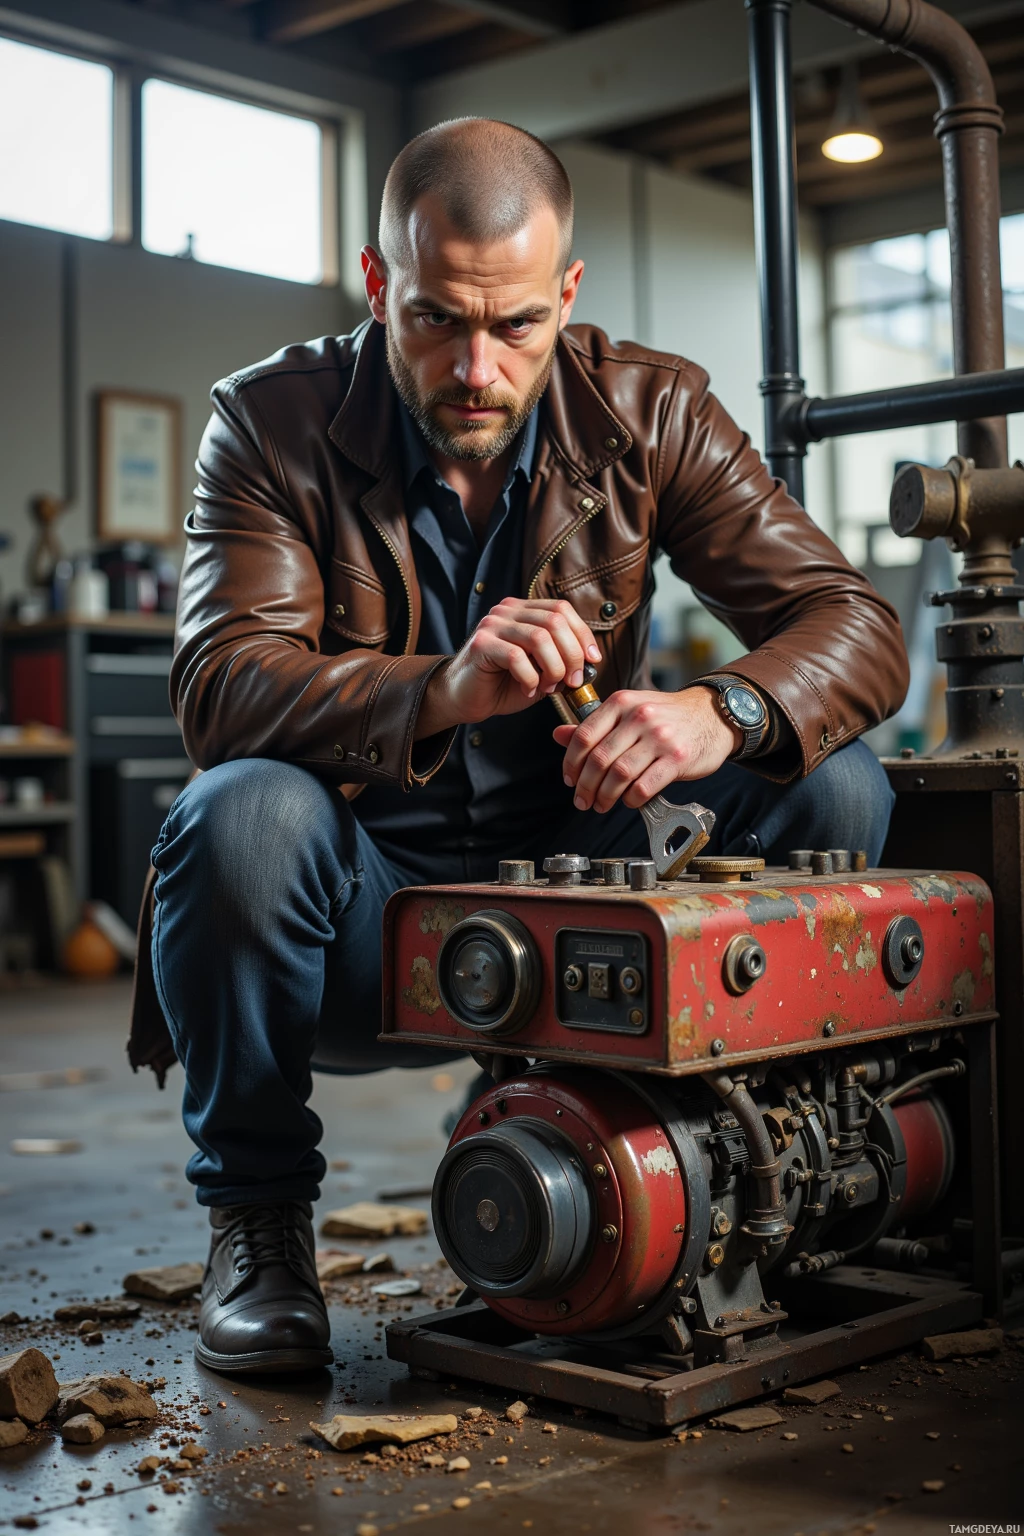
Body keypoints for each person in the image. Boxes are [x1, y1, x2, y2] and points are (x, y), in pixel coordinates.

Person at [132, 118, 908, 1376]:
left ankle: (738, 1173)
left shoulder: (651, 408)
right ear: (380, 283)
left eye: (517, 327)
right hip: (360, 928)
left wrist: (722, 711)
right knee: (245, 815)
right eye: (437, 320)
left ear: (568, 294)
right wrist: (441, 689)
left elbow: (853, 621)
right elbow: (222, 690)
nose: (477, 367)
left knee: (829, 776)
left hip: (589, 892)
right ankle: (258, 1226)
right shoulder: (269, 423)